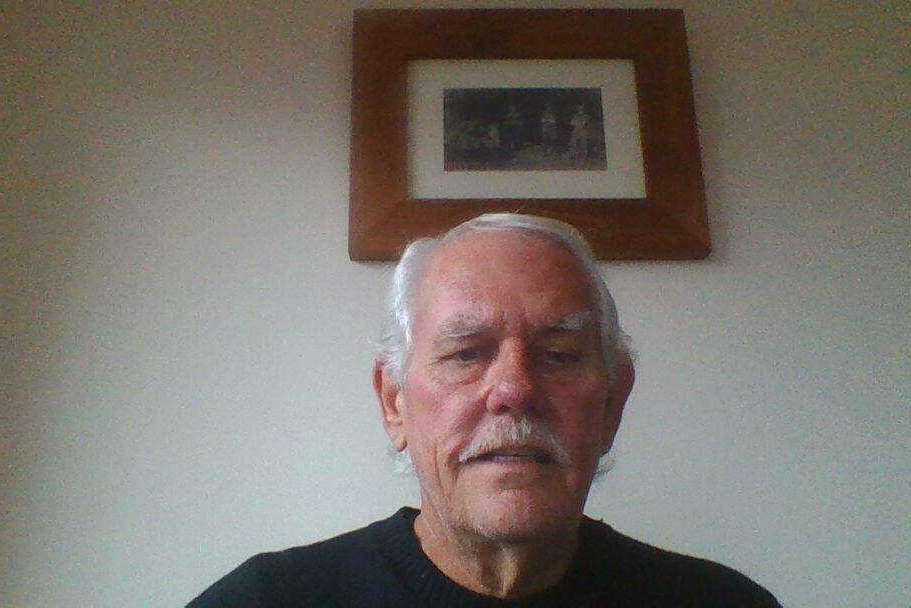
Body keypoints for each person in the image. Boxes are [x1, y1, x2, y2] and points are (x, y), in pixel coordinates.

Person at [188, 214, 781, 607]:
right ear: (394, 403)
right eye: (466, 354)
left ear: (612, 404)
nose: (514, 390)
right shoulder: (262, 601)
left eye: (558, 354)